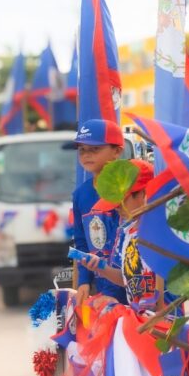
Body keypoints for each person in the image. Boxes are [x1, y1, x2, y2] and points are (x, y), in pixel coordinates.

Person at [81, 159, 179, 313]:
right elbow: (126, 280)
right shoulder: (126, 231)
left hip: (166, 322)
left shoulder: (165, 230)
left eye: (122, 201)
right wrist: (101, 267)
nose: (117, 207)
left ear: (144, 193)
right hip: (138, 320)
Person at [66, 119, 127, 305]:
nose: (86, 155)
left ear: (117, 151)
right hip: (103, 290)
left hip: (134, 289)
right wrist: (84, 281)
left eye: (94, 149)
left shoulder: (130, 189)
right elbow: (82, 242)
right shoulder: (80, 195)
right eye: (82, 150)